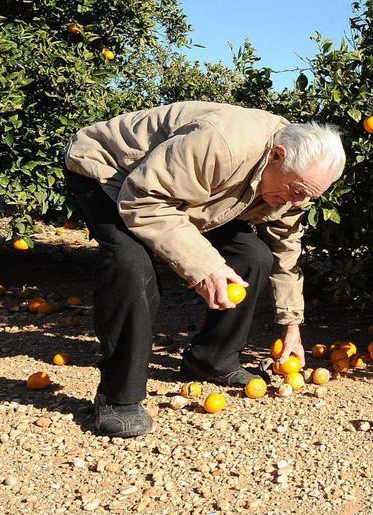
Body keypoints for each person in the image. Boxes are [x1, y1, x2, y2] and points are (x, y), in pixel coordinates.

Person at [62, 101, 345, 437]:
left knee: (253, 256)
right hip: (111, 174)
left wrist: (291, 325)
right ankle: (119, 396)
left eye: (307, 197)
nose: (296, 203)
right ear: (278, 156)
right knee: (131, 264)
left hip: (185, 194)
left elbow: (285, 250)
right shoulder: (222, 142)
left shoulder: (292, 185)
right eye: (296, 192)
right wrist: (205, 266)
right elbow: (143, 199)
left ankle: (212, 359)